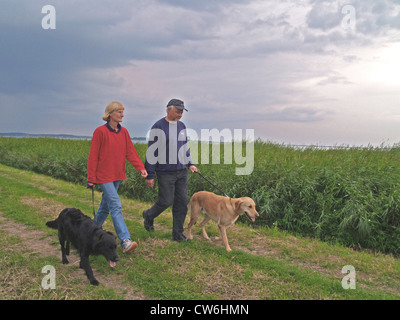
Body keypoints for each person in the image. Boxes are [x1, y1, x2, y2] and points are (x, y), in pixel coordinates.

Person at [87, 101, 148, 253]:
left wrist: (141, 168)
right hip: (104, 176)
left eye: (122, 112)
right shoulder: (100, 132)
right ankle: (125, 241)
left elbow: (130, 152)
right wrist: (91, 178)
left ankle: (88, 234)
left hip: (117, 175)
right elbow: (93, 156)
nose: (122, 114)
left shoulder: (124, 132)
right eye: (119, 112)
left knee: (104, 208)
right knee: (115, 205)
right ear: (110, 114)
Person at [143, 99, 197, 241]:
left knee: (181, 203)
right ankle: (148, 215)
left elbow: (184, 147)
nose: (180, 114)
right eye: (177, 111)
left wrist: (190, 163)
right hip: (165, 172)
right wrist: (149, 175)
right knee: (165, 201)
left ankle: (177, 235)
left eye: (181, 112)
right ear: (168, 110)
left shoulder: (182, 126)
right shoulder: (158, 127)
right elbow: (151, 153)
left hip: (182, 172)